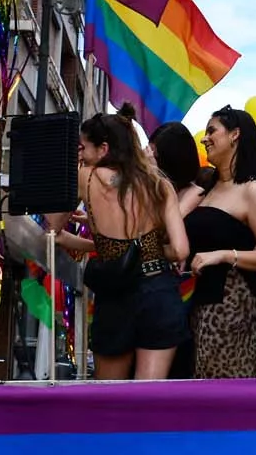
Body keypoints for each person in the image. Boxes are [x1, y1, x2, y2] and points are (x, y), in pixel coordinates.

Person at [53, 113, 190, 381]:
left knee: (110, 395)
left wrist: (109, 248)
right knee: (149, 397)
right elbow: (181, 250)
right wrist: (142, 249)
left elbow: (53, 229)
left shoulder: (86, 177)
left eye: (82, 147)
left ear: (103, 148)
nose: (80, 154)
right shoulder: (160, 185)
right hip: (158, 291)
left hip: (115, 293)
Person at [185, 107, 256, 378]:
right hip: (201, 307)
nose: (205, 139)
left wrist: (225, 255)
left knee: (231, 395)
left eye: (211, 131)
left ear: (235, 135)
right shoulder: (207, 188)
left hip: (234, 306)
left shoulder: (252, 190)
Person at [150, 120, 215, 378]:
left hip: (184, 296)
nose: (148, 157)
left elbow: (164, 233)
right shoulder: (153, 191)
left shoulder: (196, 191)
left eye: (153, 153)